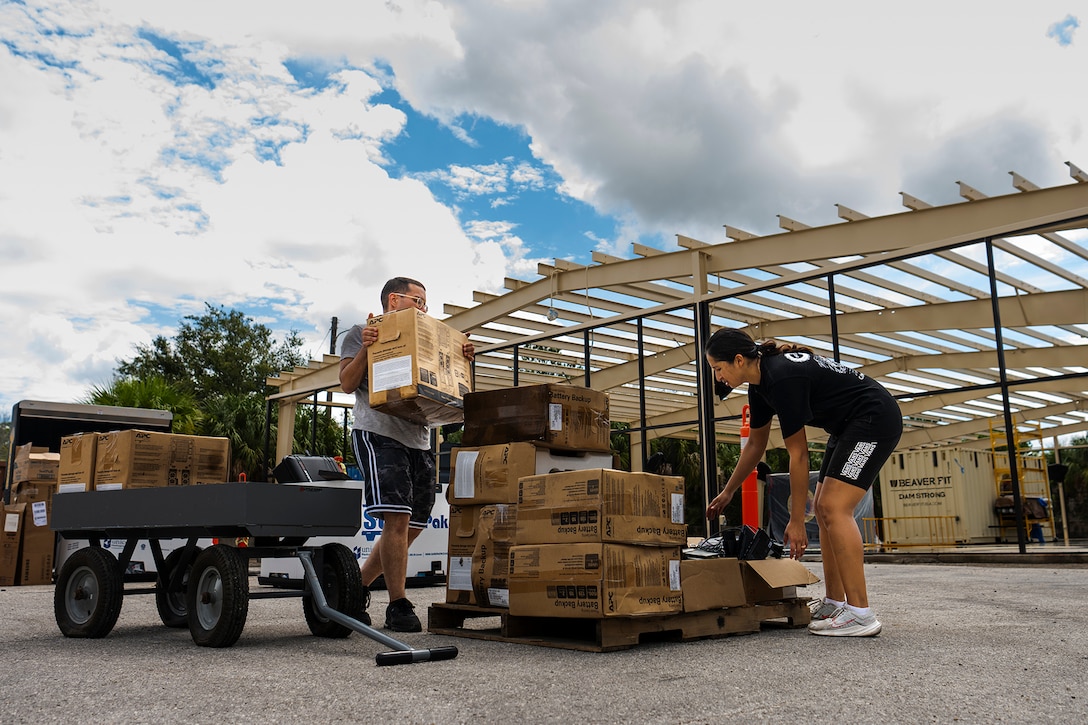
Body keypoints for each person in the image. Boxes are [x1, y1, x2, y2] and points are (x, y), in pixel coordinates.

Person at [703, 328, 901, 637]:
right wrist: (728, 491)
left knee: (834, 507)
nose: (717, 378)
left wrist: (796, 521)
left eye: (717, 368)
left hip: (874, 418)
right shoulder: (760, 386)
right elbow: (756, 445)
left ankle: (861, 613)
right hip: (848, 425)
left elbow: (798, 455)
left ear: (738, 360)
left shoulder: (782, 378)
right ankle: (836, 603)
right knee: (823, 509)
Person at [339, 276, 474, 631]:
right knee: (396, 521)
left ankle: (356, 588)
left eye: (426, 303)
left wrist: (461, 361)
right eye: (418, 301)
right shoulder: (359, 332)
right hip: (379, 432)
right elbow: (347, 384)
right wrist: (368, 347)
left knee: (413, 524)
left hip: (420, 438)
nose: (424, 308)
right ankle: (398, 604)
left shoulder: (424, 336)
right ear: (394, 300)